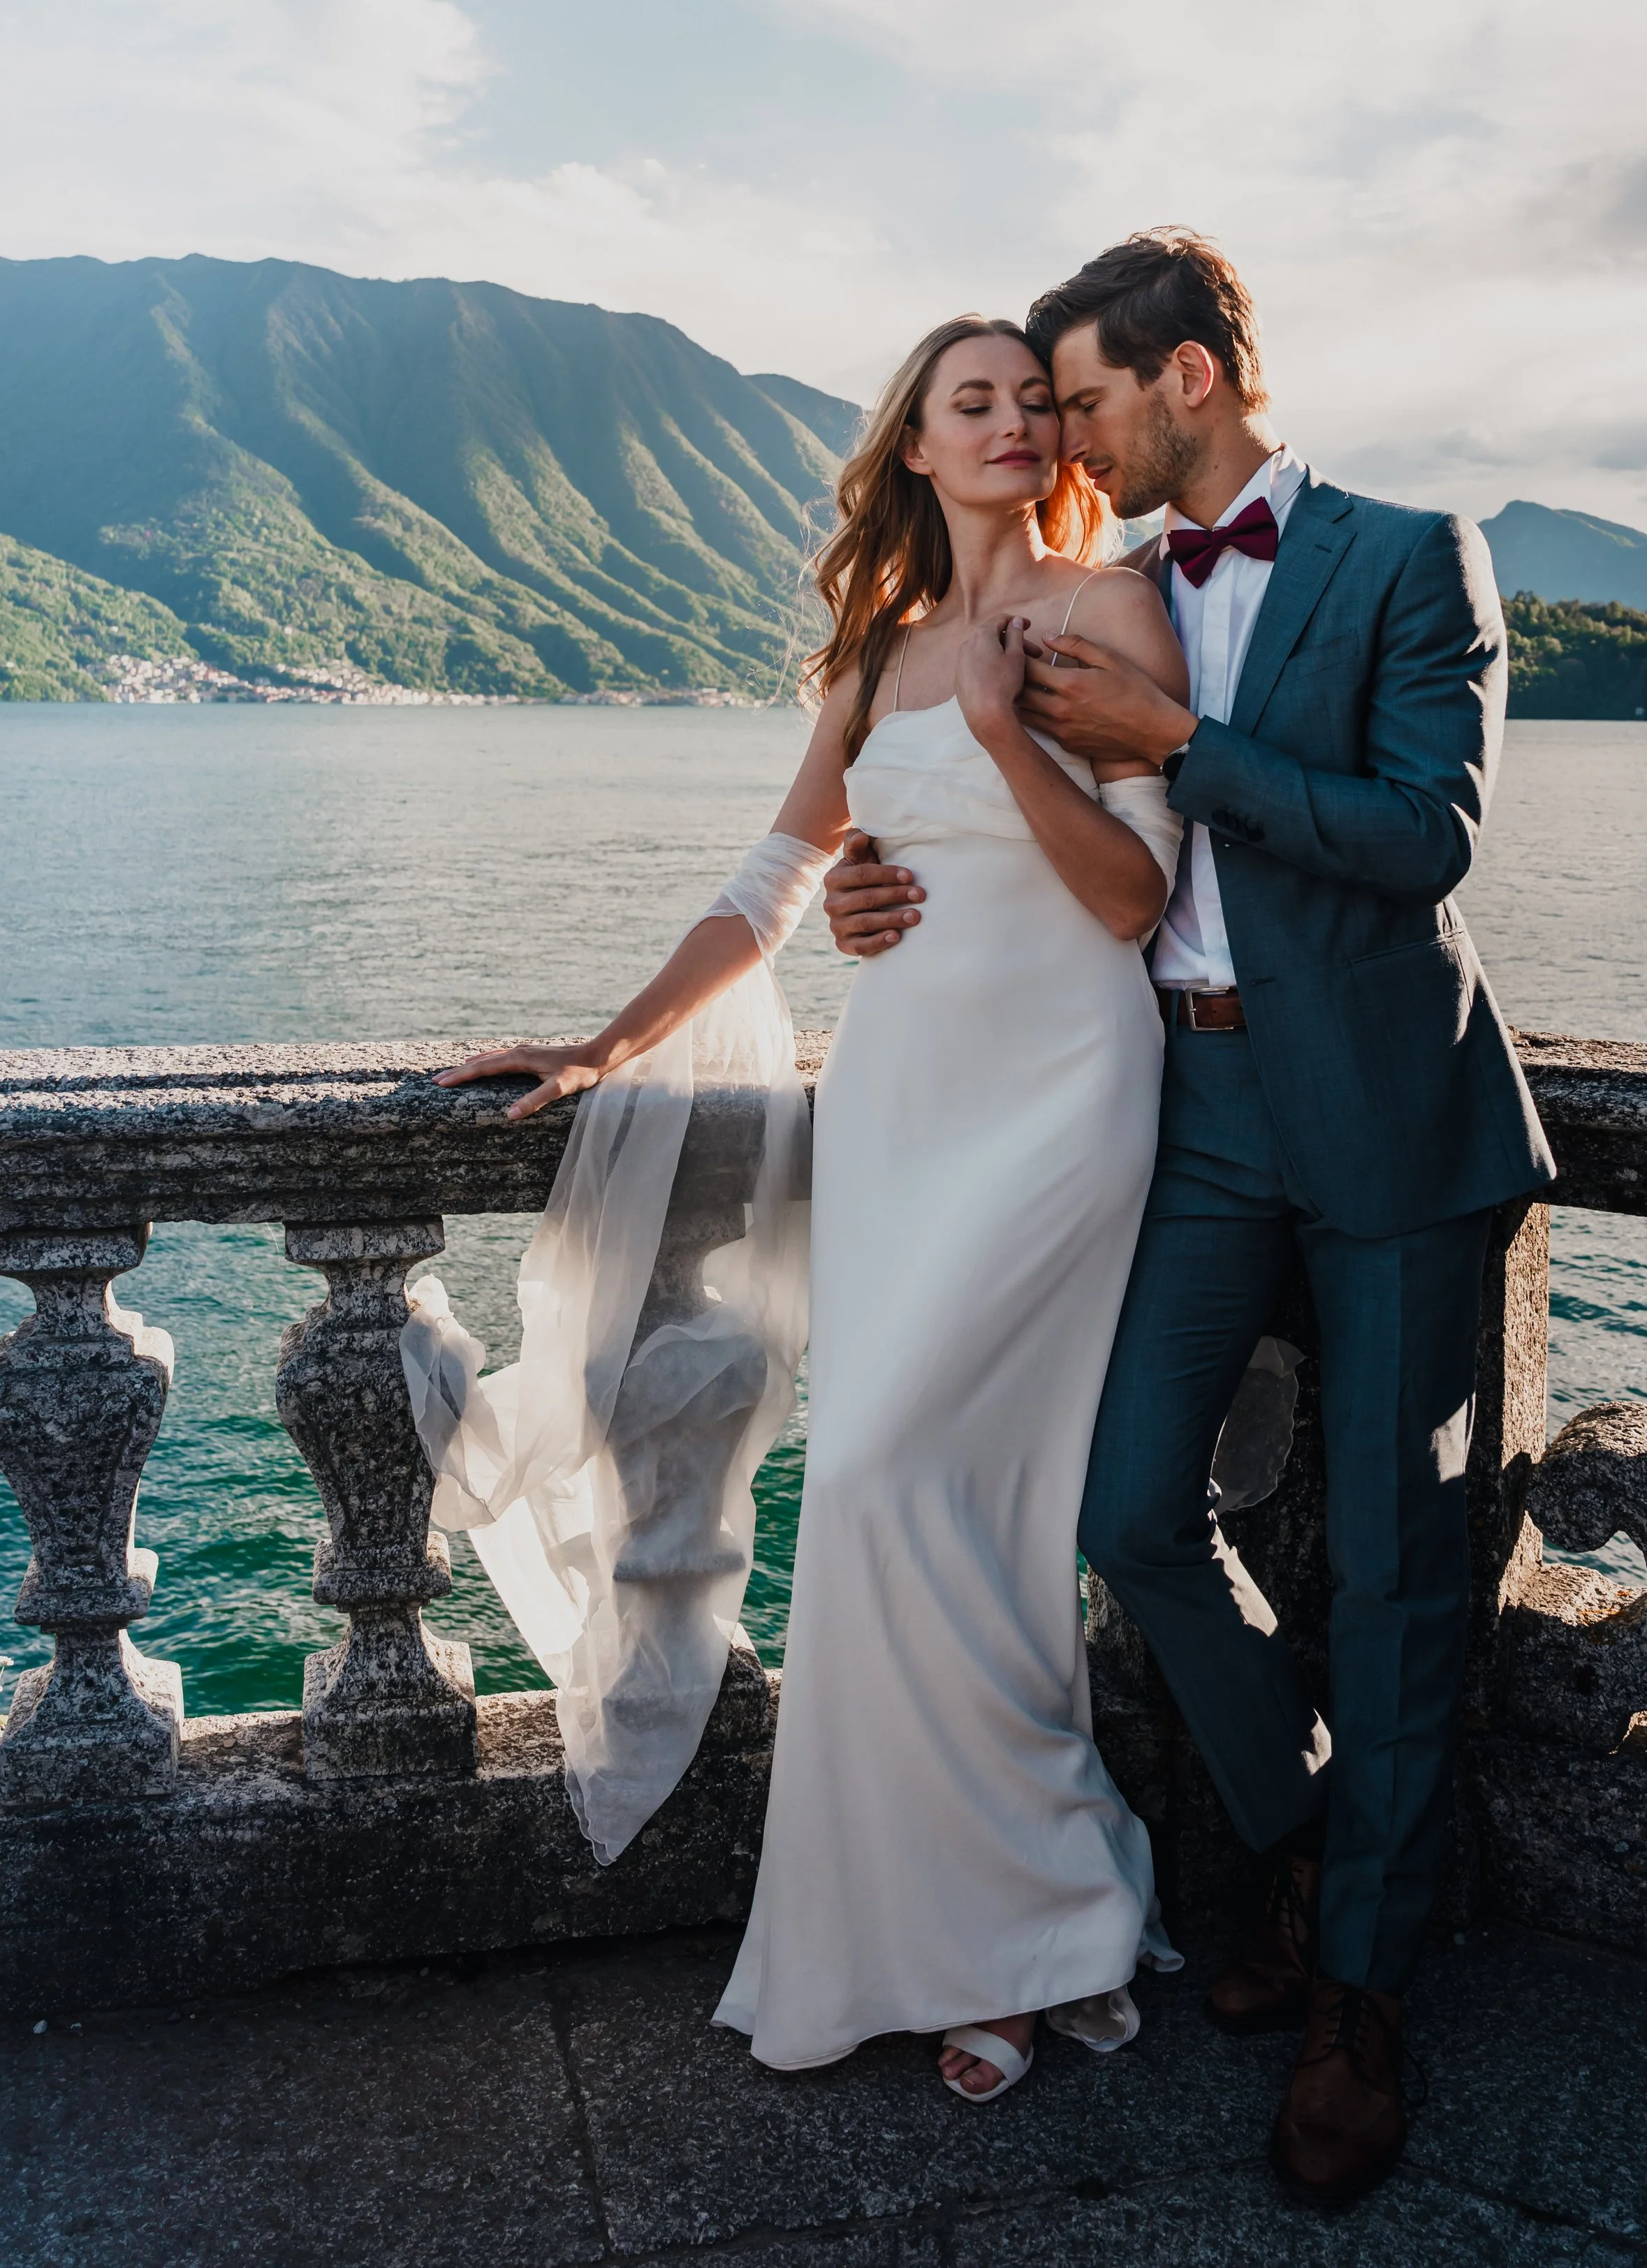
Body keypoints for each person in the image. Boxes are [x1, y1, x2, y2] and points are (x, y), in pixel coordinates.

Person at [826, 230, 1553, 2203]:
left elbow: (1429, 832)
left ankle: (1362, 1995)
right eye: (1030, 403)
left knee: (1397, 1562)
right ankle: (1321, 1837)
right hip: (1185, 1107)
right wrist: (865, 889)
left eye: (1078, 397)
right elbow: (966, 827)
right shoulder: (1109, 585)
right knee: (1132, 1506)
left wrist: (1187, 756)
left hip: (1392, 1114)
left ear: (1194, 376)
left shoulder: (1411, 548)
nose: (1056, 431)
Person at [416, 314, 1194, 2101]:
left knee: (897, 1478)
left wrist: (1005, 739)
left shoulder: (1103, 618)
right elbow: (774, 889)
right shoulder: (870, 655)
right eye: (966, 402)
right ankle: (978, 1927)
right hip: (905, 1100)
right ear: (914, 448)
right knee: (917, 1515)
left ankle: (1027, 1922)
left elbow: (1134, 901)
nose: (1006, 422)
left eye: (1027, 399)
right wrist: (605, 1043)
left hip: (1064, 1098)